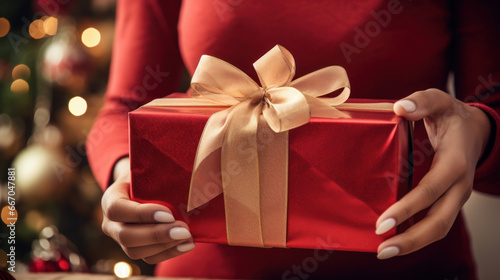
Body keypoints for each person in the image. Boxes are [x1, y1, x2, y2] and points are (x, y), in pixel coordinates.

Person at [87, 0, 500, 279]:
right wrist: (127, 177)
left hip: (411, 261)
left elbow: (489, 106)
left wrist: (481, 130)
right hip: (203, 264)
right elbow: (125, 106)